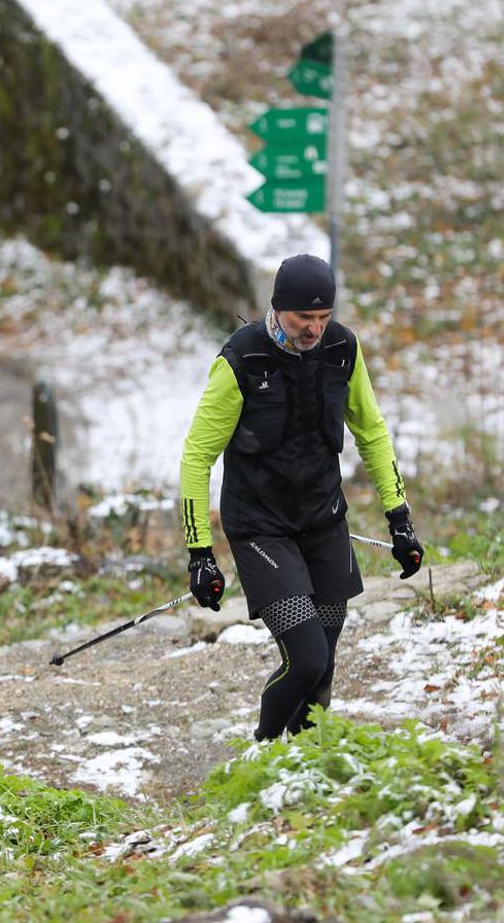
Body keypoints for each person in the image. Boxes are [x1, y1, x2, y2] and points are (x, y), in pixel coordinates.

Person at [176, 254, 423, 741]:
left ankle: (306, 759)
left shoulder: (342, 350)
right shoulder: (241, 359)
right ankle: (265, 752)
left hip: (323, 521)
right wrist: (200, 554)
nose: (314, 329)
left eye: (323, 317)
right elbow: (196, 457)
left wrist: (400, 519)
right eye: (302, 319)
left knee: (323, 666)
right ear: (277, 308)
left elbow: (371, 432)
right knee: (306, 656)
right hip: (260, 528)